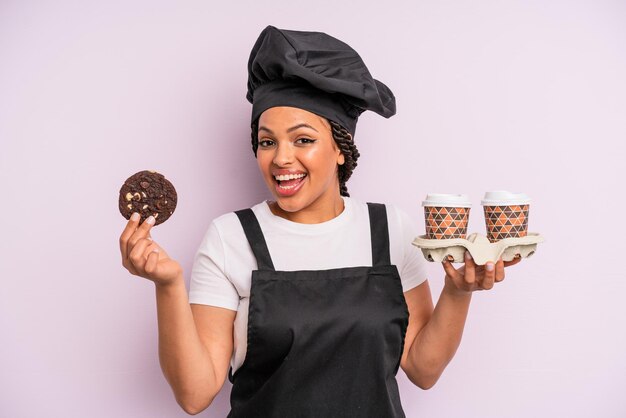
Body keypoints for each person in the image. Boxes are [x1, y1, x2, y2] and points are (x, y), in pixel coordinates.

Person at [118, 25, 522, 417]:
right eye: (266, 141)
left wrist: (457, 292)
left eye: (303, 139)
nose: (280, 158)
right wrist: (167, 285)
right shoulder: (231, 237)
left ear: (341, 148)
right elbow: (194, 395)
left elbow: (423, 369)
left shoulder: (388, 229)